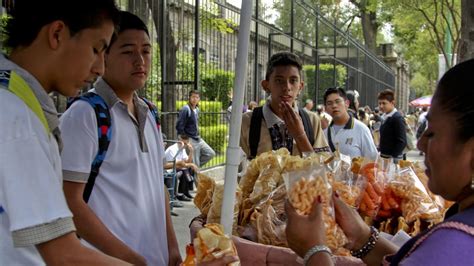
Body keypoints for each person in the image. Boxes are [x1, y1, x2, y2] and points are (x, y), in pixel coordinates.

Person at [285, 58, 474, 265]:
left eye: (432, 132)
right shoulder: (458, 223)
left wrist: (315, 250)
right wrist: (361, 237)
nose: (419, 144)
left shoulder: (452, 248)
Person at [0, 1, 128, 265]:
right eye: (96, 49)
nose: (100, 68)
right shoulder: (17, 118)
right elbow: (65, 255)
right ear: (57, 33)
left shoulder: (16, 103)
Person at [59, 11, 181, 265]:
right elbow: (69, 202)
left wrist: (171, 248)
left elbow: (158, 187)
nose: (140, 61)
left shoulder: (151, 113)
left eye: (146, 51)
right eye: (128, 51)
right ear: (104, 56)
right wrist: (128, 258)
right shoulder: (85, 114)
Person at [240, 52, 330, 158]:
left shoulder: (311, 121)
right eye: (279, 80)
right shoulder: (247, 122)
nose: (287, 87)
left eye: (293, 80)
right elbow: (238, 169)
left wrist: (300, 135)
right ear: (266, 85)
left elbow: (324, 169)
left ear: (300, 87)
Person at [323, 88, 378, 160]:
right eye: (329, 103)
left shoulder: (361, 130)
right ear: (326, 108)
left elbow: (373, 161)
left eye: (337, 101)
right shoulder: (324, 133)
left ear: (347, 103)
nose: (334, 106)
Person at [177, 90, 216, 167]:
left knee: (210, 153)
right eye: (193, 97)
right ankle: (193, 169)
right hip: (190, 139)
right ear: (189, 98)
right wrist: (185, 139)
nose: (195, 99)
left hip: (198, 138)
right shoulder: (185, 109)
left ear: (199, 99)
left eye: (197, 97)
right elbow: (179, 125)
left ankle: (190, 166)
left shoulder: (197, 109)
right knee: (195, 164)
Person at [164, 134, 199, 201]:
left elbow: (187, 161)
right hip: (170, 168)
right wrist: (189, 164)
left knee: (190, 169)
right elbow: (177, 164)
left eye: (187, 143)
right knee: (184, 170)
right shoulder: (172, 149)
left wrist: (191, 151)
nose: (186, 145)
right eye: (185, 143)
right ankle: (181, 194)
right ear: (180, 140)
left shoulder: (182, 148)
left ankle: (185, 192)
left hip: (177, 166)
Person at [377, 89, 407, 161]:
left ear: (392, 103)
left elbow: (402, 141)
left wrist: (393, 157)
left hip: (393, 160)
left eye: (384, 103)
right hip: (385, 157)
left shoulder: (397, 118)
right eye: (379, 103)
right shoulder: (385, 116)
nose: (381, 106)